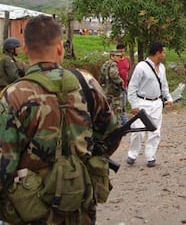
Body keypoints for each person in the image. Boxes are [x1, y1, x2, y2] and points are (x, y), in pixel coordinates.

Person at [0, 15, 119, 224]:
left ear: (25, 49)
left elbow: (5, 163)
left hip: (32, 210)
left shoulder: (13, 95)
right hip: (80, 205)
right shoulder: (87, 84)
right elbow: (111, 134)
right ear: (60, 47)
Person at [126, 41, 173, 167]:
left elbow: (164, 84)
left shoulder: (162, 68)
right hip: (142, 102)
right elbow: (132, 87)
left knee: (155, 130)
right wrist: (134, 105)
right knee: (138, 130)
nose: (164, 54)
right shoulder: (141, 67)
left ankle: (150, 156)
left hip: (157, 102)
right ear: (158, 53)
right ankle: (132, 154)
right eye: (163, 52)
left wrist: (168, 98)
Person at [100, 49, 124, 126]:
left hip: (106, 91)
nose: (119, 58)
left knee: (105, 111)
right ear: (112, 56)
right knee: (117, 111)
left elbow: (101, 78)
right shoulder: (113, 64)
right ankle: (116, 128)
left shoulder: (105, 64)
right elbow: (113, 75)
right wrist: (120, 82)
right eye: (117, 56)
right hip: (114, 92)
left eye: (120, 56)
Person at [116, 43, 131, 125]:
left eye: (123, 51)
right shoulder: (114, 61)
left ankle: (123, 120)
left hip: (125, 85)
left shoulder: (127, 60)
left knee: (123, 103)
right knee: (119, 104)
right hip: (117, 86)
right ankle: (123, 121)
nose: (121, 53)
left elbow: (128, 70)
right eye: (120, 51)